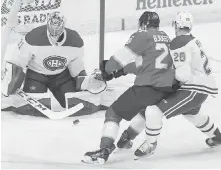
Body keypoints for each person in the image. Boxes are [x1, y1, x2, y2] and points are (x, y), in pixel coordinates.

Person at [115, 12, 220, 160]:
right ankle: (217, 137)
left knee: (153, 110)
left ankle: (150, 144)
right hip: (198, 87)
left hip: (194, 89)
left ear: (176, 25)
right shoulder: (192, 40)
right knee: (192, 113)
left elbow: (182, 74)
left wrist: (169, 81)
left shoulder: (179, 42)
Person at [82, 11, 179, 164]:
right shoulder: (166, 37)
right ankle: (126, 139)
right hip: (167, 88)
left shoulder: (142, 35)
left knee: (113, 113)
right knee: (145, 111)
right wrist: (120, 72)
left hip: (147, 87)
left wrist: (107, 69)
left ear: (143, 24)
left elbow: (119, 59)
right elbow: (143, 64)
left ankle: (105, 149)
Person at [1, 11, 106, 115]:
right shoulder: (33, 37)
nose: (55, 33)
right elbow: (19, 61)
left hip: (61, 76)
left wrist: (85, 81)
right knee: (32, 109)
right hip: (36, 75)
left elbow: (76, 67)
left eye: (58, 28)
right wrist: (11, 80)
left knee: (74, 103)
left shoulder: (75, 40)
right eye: (52, 28)